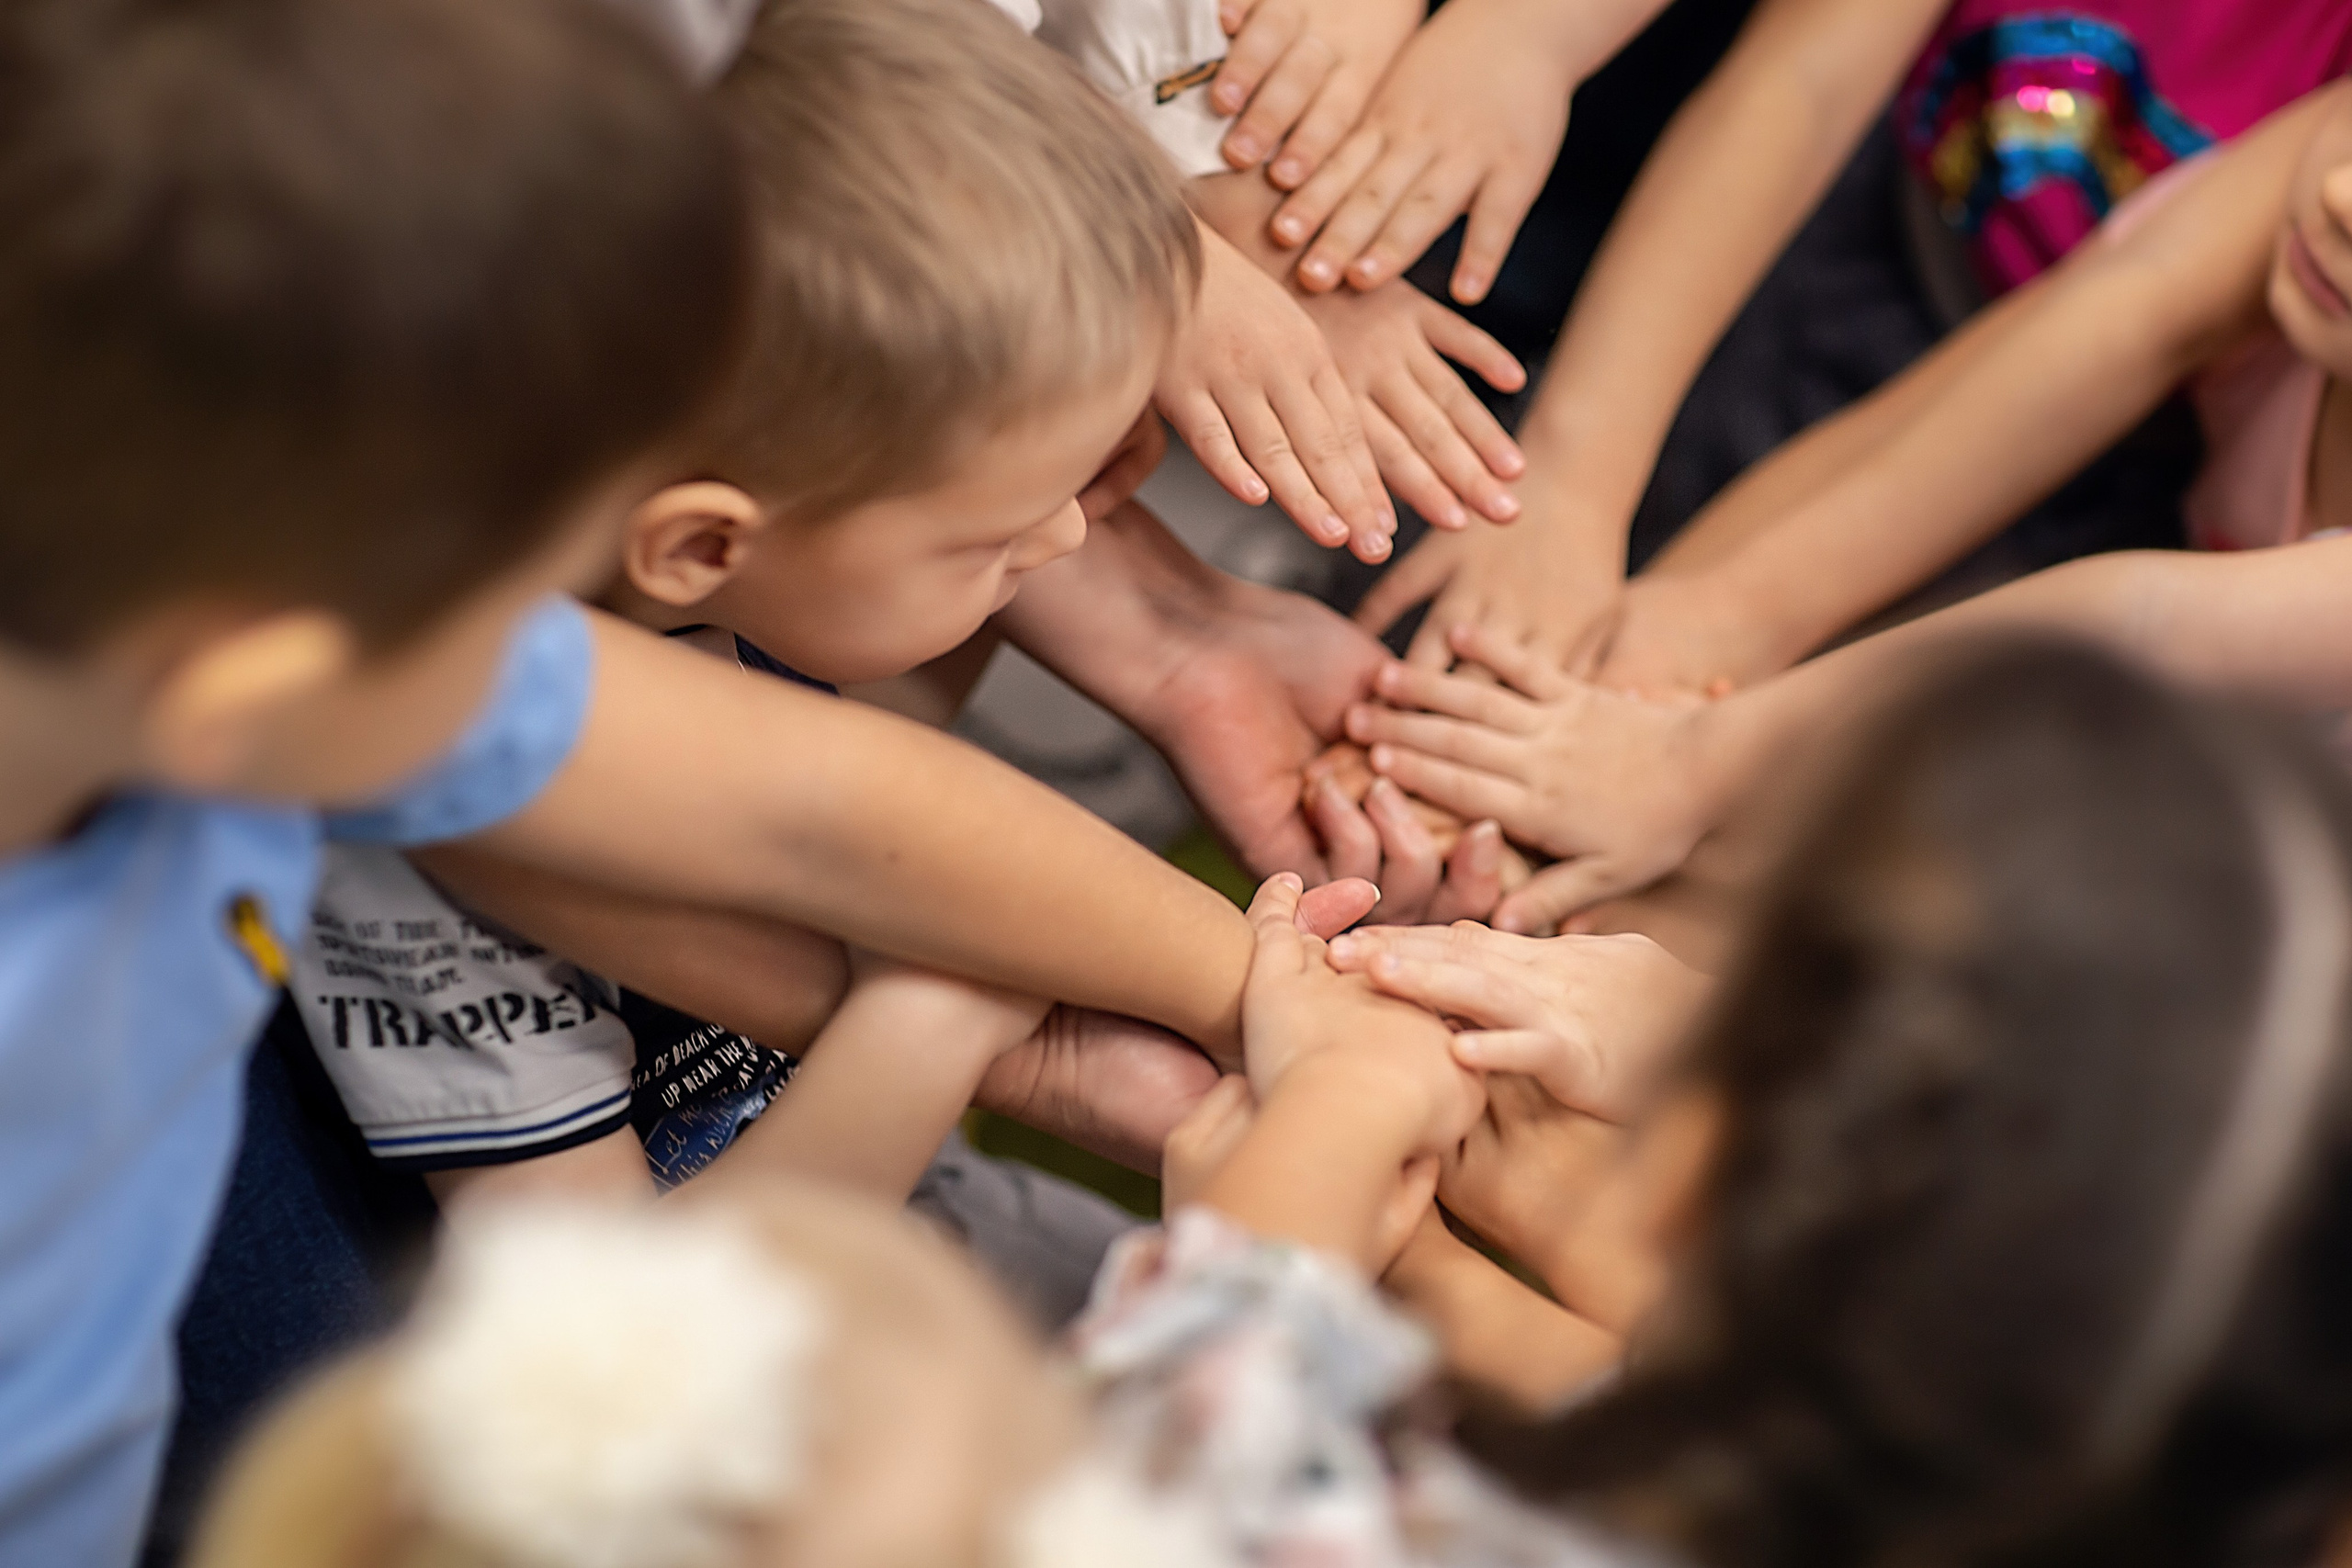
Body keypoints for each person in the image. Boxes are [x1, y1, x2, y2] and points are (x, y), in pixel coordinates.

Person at [0, 0, 1374, 1557]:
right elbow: (618, 1351)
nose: (573, 651)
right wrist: (953, 1004)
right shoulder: (344, 785)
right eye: (526, 615)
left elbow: (833, 791)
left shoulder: (300, 640)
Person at [1343, 82, 2352, 931]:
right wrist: (1642, 670)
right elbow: (2077, 344)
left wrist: (1682, 768)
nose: (2345, 198)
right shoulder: (2310, 230)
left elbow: (2143, 621)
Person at [1351, 0, 2352, 681]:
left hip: (2105, 454)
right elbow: (1807, 78)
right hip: (1850, 236)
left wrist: (1701, 656)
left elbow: (2119, 335)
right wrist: (1577, 484)